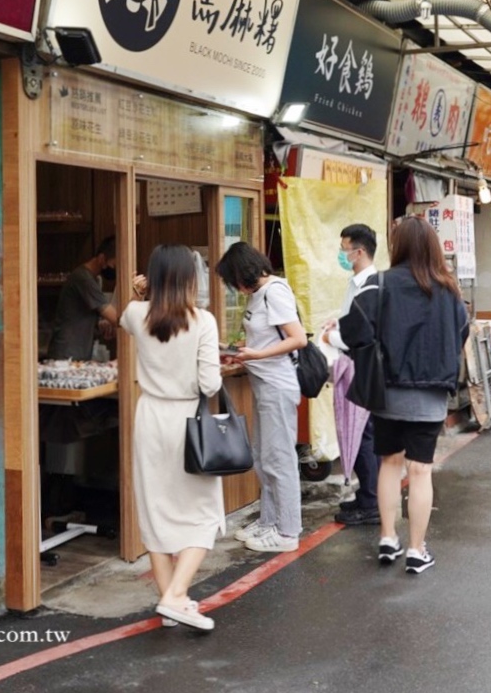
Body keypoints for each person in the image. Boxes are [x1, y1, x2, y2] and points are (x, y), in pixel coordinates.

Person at [339, 216, 469, 575]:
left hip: (387, 393)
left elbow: (353, 330)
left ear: (397, 246)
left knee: (390, 465)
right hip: (429, 395)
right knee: (421, 471)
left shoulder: (378, 284)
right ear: (431, 247)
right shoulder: (449, 291)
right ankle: (416, 549)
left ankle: (386, 538)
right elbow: (461, 334)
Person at [120, 245, 224, 632]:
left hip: (149, 417)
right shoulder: (204, 321)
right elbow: (210, 383)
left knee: (155, 508)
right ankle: (175, 595)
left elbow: (129, 311)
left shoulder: (135, 314)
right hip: (187, 421)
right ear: (189, 279)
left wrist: (137, 292)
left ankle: (171, 602)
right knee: (204, 512)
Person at [215, 241, 308, 554]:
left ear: (244, 273)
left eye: (233, 280)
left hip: (277, 384)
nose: (234, 287)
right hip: (263, 382)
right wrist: (243, 351)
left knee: (279, 458)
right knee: (263, 455)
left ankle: (288, 531)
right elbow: (264, 335)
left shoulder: (274, 291)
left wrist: (257, 354)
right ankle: (270, 521)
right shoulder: (258, 294)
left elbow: (299, 339)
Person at [319, 223, 381, 527]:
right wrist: (338, 324)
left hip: (362, 367)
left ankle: (372, 502)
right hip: (351, 365)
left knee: (364, 433)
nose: (341, 254)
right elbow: (353, 322)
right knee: (355, 431)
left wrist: (334, 338)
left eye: (344, 249)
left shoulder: (372, 286)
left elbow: (366, 333)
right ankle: (368, 494)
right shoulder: (355, 283)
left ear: (359, 251)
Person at [47, 237, 119, 361]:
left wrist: (103, 326)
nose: (114, 270)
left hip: (77, 351)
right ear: (102, 258)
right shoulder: (83, 279)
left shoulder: (93, 279)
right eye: (113, 265)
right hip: (67, 354)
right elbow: (114, 317)